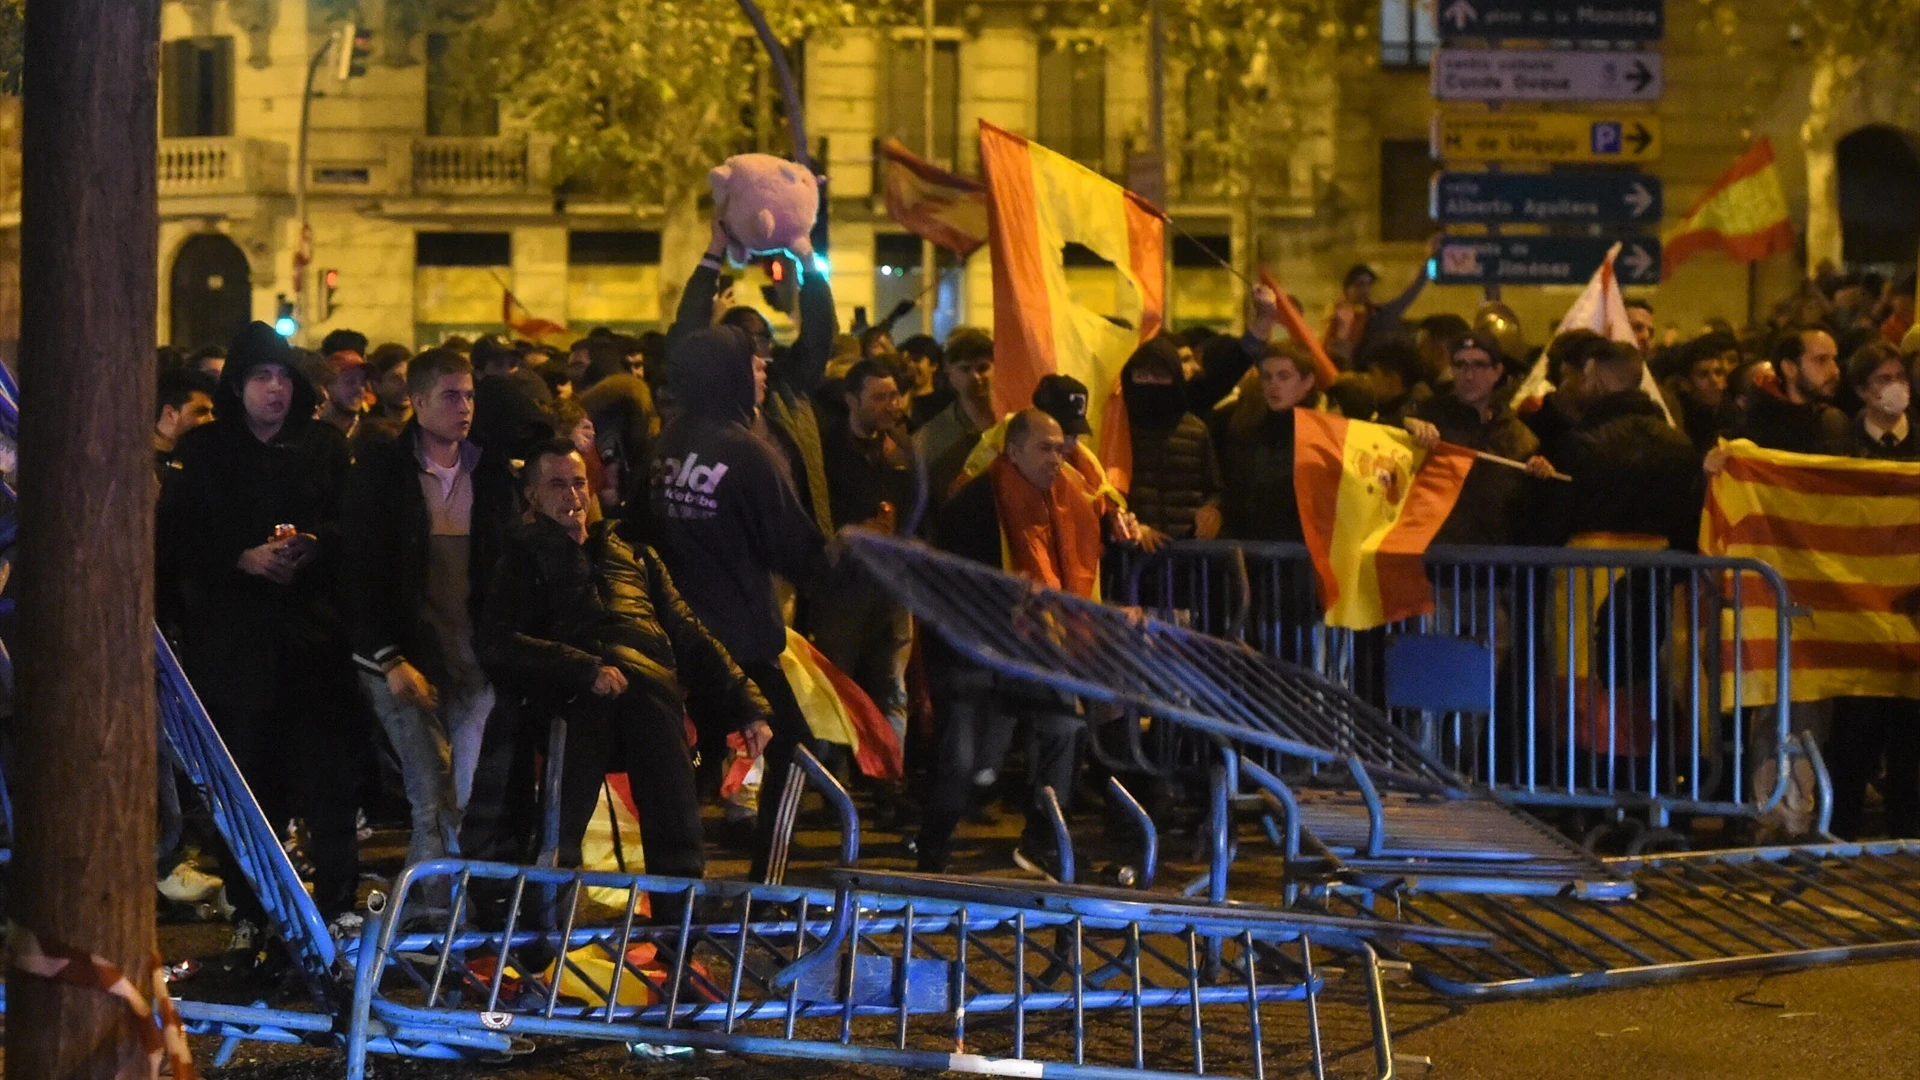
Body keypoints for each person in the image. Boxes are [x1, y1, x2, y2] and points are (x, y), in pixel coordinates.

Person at [480, 439, 772, 912]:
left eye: (578, 483)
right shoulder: (520, 559)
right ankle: (539, 943)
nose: (572, 495)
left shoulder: (635, 556)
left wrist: (747, 704)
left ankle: (679, 944)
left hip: (651, 699)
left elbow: (690, 636)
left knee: (677, 829)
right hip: (573, 705)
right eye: (557, 485)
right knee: (556, 838)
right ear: (532, 495)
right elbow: (497, 643)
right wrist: (581, 669)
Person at [157, 321, 360, 941]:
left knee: (328, 779)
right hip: (236, 643)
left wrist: (311, 545)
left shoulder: (323, 446)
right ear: (239, 387)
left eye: (282, 378)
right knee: (246, 785)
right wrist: (241, 558)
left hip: (313, 640)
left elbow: (350, 525)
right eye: (260, 378)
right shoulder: (206, 452)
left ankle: (337, 902)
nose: (274, 391)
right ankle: (253, 908)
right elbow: (177, 542)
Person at [649, 325, 832, 880]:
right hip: (737, 641)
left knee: (697, 760)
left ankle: (677, 880)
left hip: (678, 635)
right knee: (795, 750)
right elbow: (797, 551)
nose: (764, 375)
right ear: (728, 375)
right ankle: (767, 879)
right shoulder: (747, 453)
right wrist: (850, 560)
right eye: (754, 366)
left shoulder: (669, 442)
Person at [342, 347, 516, 885]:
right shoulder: (383, 473)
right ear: (417, 402)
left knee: (464, 796)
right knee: (431, 795)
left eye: (469, 395)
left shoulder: (488, 472)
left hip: (473, 660)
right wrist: (388, 658)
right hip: (405, 661)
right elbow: (361, 573)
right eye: (450, 396)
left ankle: (449, 913)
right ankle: (429, 914)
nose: (464, 407)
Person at [917, 410, 1113, 877]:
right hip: (967, 653)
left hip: (1024, 652)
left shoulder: (1060, 501)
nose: (1058, 457)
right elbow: (950, 587)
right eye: (1045, 448)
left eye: (1061, 447)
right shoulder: (974, 505)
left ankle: (1043, 839)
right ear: (1014, 450)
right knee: (961, 763)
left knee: (1065, 727)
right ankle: (932, 852)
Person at [672, 215, 839, 536]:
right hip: (734, 550)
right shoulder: (706, 400)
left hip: (798, 549)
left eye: (762, 338)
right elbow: (686, 335)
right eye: (742, 339)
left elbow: (820, 334)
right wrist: (714, 252)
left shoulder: (787, 388)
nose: (756, 348)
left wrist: (806, 259)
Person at [1821, 341, 1920, 839]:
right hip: (1855, 619)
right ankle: (1843, 836)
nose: (1895, 387)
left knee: (1911, 740)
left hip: (1912, 617)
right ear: (1861, 391)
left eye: (1899, 375)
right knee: (1853, 738)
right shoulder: (1837, 454)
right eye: (1882, 379)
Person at [812, 359, 922, 767]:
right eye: (879, 397)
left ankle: (888, 775)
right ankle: (832, 774)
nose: (890, 405)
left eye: (894, 395)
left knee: (892, 686)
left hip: (893, 584)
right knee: (837, 682)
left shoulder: (903, 449)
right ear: (851, 400)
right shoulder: (828, 450)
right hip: (845, 587)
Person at [1403, 332, 1550, 546]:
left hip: (1494, 566)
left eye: (1479, 365)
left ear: (1497, 371)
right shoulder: (1429, 415)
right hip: (1434, 558)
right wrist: (1406, 424)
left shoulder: (1519, 437)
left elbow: (1528, 514)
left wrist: (1541, 475)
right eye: (1461, 365)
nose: (1469, 375)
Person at [1120, 337, 1223, 541]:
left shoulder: (1195, 430)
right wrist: (1133, 528)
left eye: (1159, 375)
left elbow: (1214, 488)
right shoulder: (1118, 429)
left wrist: (1212, 511)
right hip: (1132, 553)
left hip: (1188, 552)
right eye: (1142, 375)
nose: (1150, 382)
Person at [1220, 343, 1321, 542]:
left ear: (1307, 381)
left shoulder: (1322, 436)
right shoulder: (1247, 432)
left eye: (1283, 376)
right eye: (1267, 377)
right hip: (1255, 552)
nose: (1273, 384)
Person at [1726, 326, 1851, 456]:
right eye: (1821, 360)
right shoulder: (1755, 426)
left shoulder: (1835, 418)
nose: (1835, 370)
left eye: (1834, 360)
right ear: (1790, 368)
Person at [914, 328, 996, 503]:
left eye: (983, 368)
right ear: (949, 373)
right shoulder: (930, 437)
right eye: (965, 369)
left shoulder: (1015, 422)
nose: (976, 377)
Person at [1325, 257, 1430, 366]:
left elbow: (1407, 297)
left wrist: (1427, 268)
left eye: (1368, 284)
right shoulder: (1335, 315)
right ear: (1347, 289)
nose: (1365, 290)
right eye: (1359, 285)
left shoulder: (1377, 314)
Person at [154, 367, 216, 478]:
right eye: (201, 412)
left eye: (212, 413)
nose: (211, 420)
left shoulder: (194, 464)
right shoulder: (137, 468)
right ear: (170, 414)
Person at [320, 347, 372, 440]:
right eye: (350, 381)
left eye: (363, 382)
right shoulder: (310, 432)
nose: (360, 389)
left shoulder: (369, 435)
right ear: (329, 385)